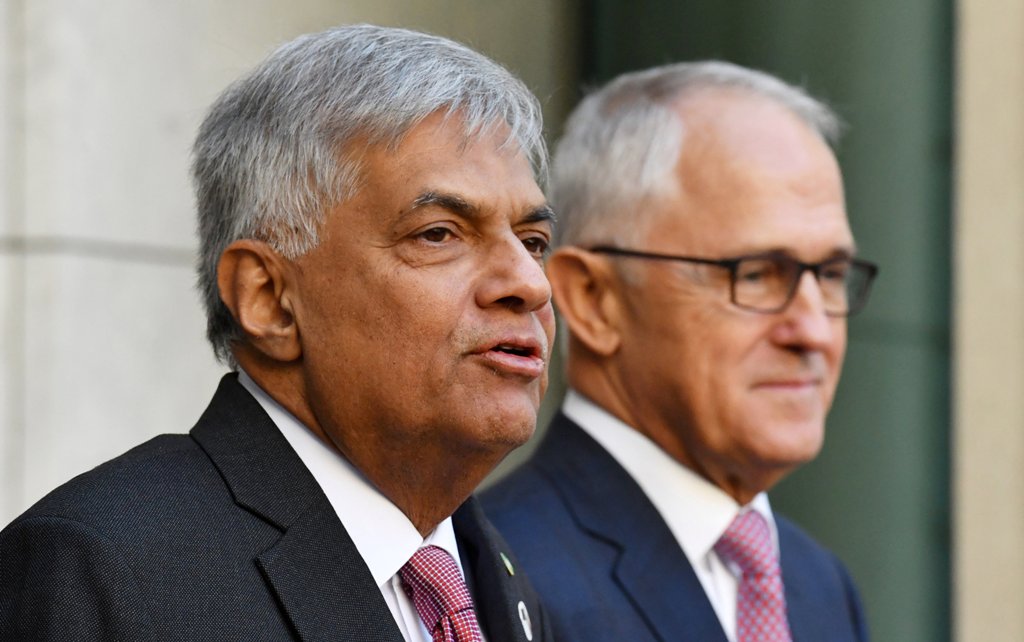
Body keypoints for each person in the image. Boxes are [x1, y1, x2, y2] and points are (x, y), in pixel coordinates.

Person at [1, 25, 556, 641]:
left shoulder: (491, 573)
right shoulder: (103, 569)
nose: (530, 284)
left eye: (533, 242)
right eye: (438, 234)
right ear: (268, 300)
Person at [482, 61, 877, 642]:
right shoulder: (495, 580)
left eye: (833, 272)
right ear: (593, 299)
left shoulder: (818, 584)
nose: (814, 330)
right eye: (760, 274)